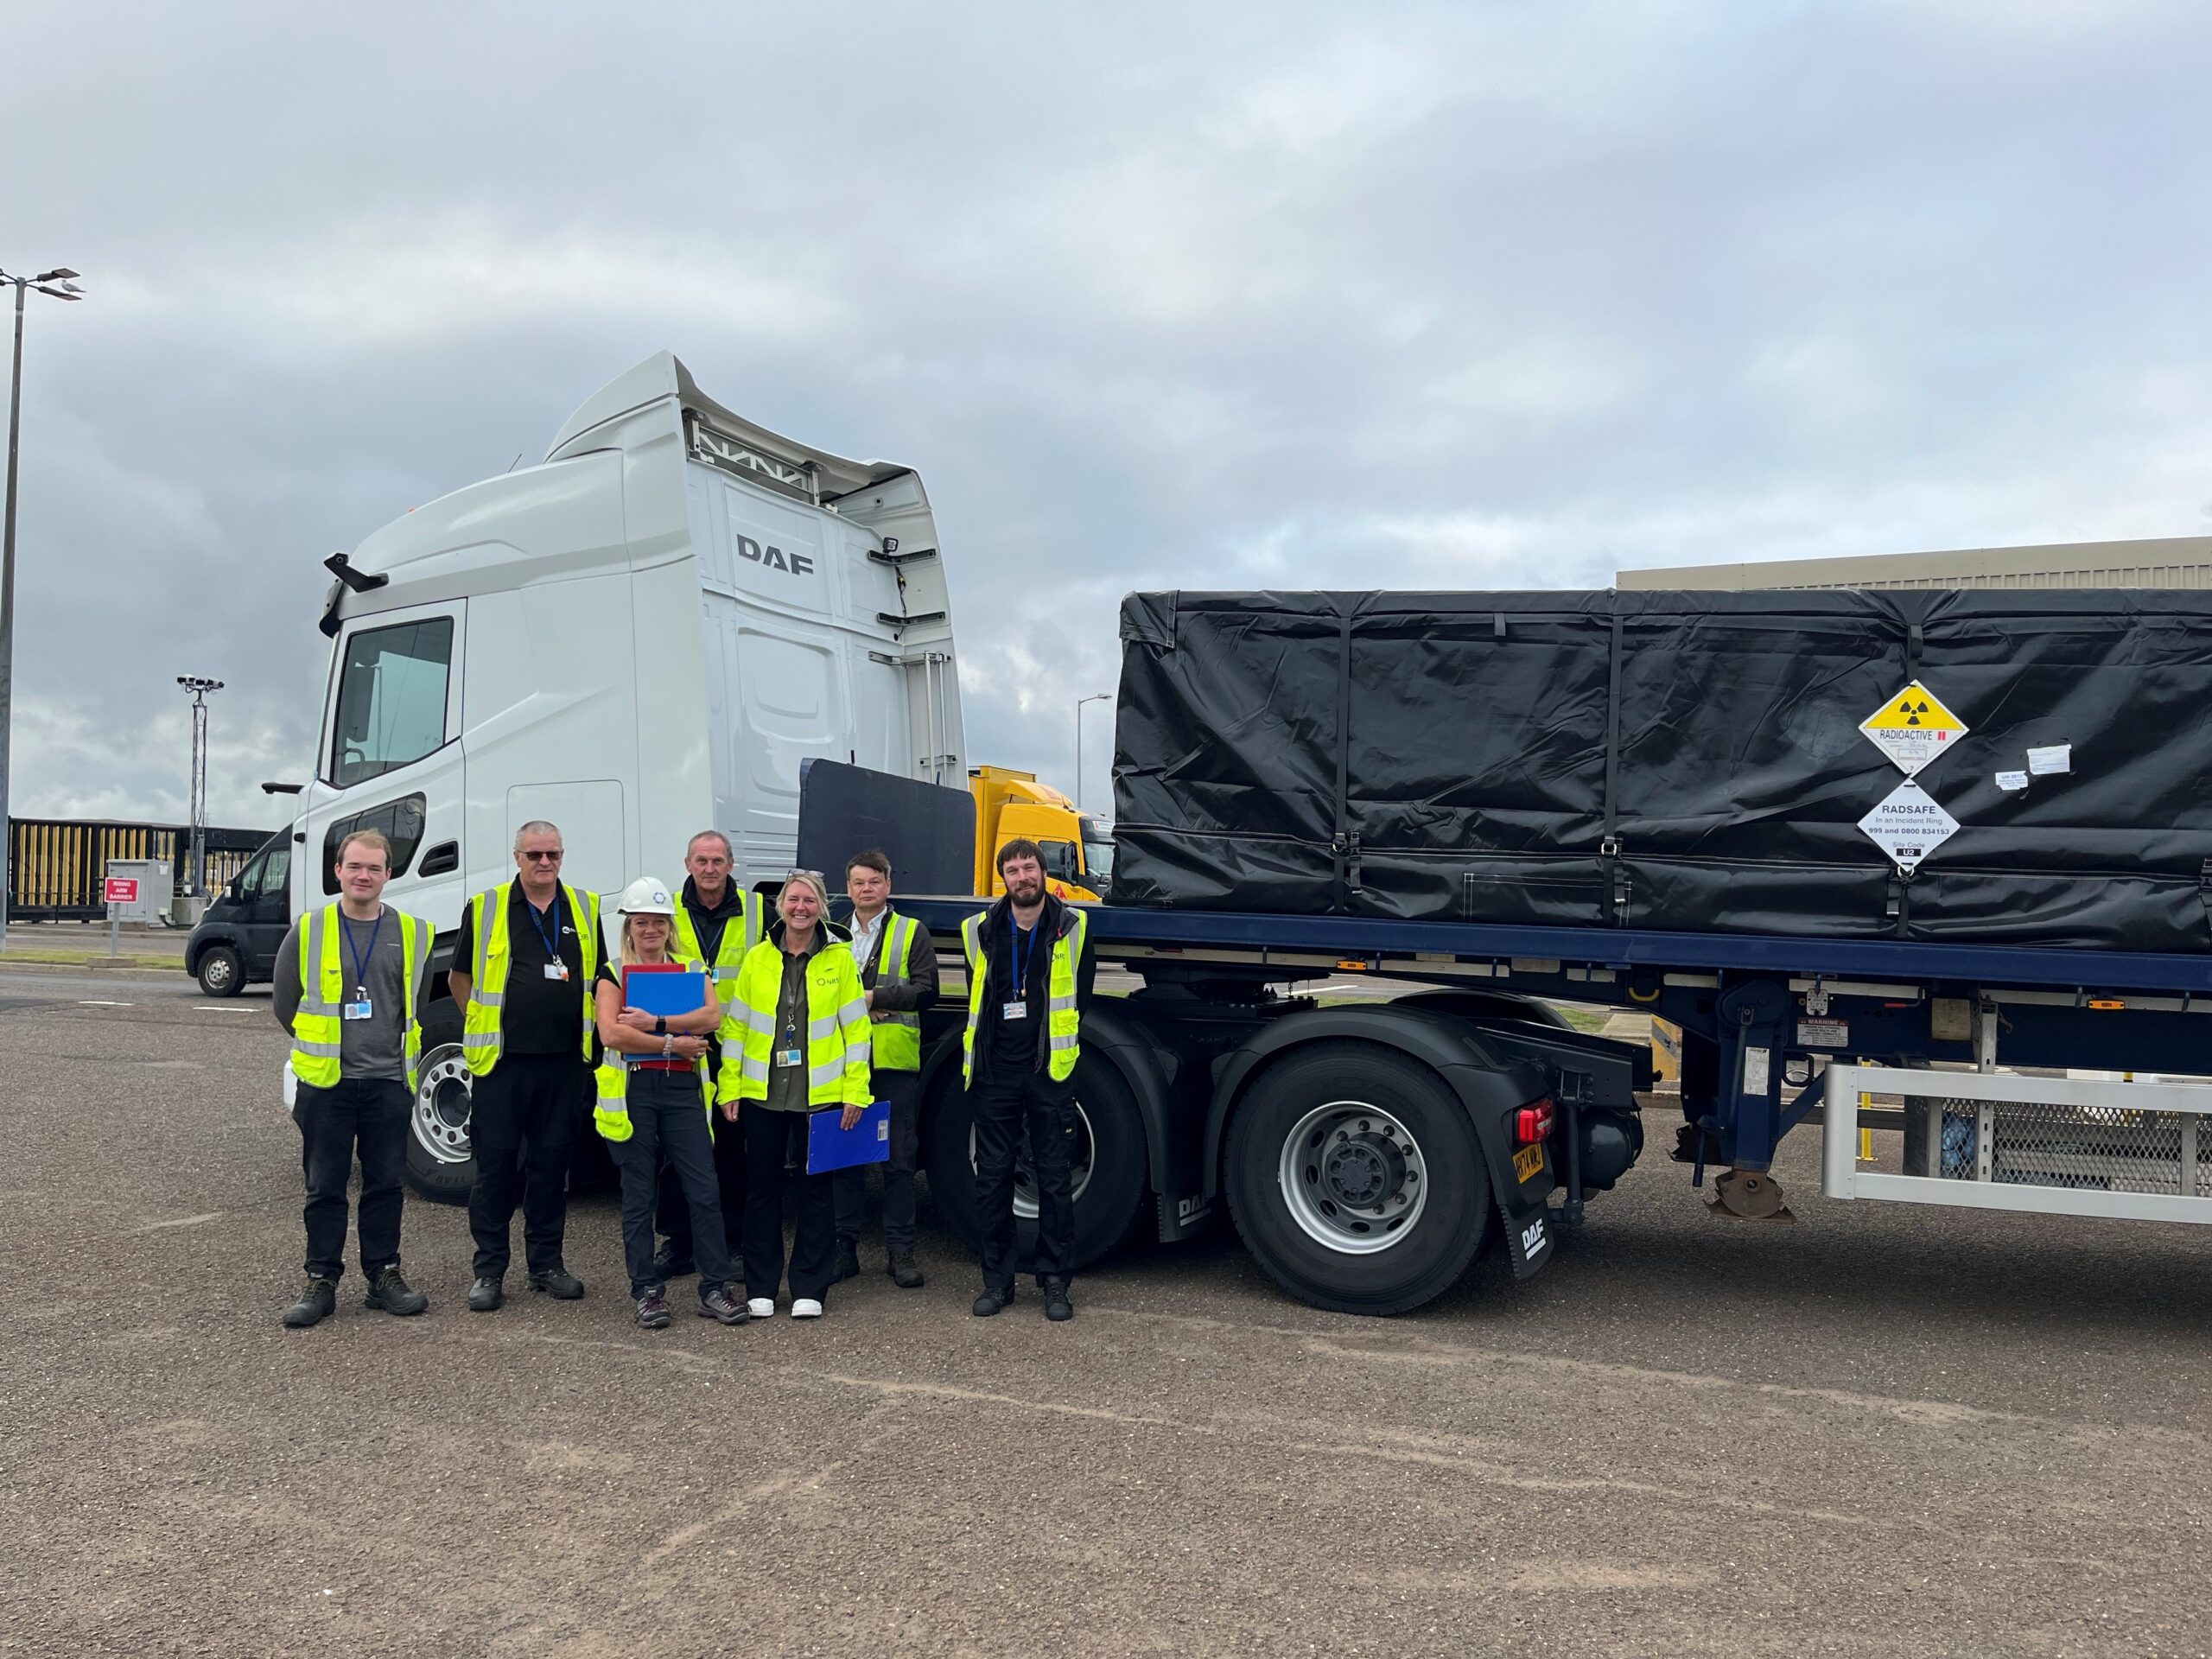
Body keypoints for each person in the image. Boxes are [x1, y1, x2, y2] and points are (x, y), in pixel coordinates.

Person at [272, 830, 435, 1327]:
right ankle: (321, 1280)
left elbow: (417, 1002)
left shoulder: (413, 932)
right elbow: (285, 1003)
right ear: (338, 871)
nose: (364, 875)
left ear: (388, 874)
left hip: (388, 1082)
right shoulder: (310, 928)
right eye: (355, 867)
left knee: (385, 1184)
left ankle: (383, 1275)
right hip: (328, 1084)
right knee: (325, 1186)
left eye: (374, 868)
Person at [448, 820, 607, 1312]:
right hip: (502, 1065)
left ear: (562, 856)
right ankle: (489, 1270)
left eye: (552, 854)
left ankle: (546, 1265)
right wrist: (481, 1023)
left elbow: (600, 978)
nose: (544, 863)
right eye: (534, 854)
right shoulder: (487, 906)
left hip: (564, 1064)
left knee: (551, 1168)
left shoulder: (584, 907)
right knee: (495, 1167)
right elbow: (459, 978)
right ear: (516, 856)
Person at [593, 878, 749, 1328]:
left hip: (683, 1090)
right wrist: (673, 1043)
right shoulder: (613, 972)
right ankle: (646, 1292)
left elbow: (712, 1017)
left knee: (704, 1189)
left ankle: (715, 1287)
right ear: (629, 925)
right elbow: (612, 1033)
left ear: (669, 926)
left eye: (658, 922)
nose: (650, 930)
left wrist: (657, 1022)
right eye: (642, 921)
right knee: (639, 1195)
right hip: (635, 1091)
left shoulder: (690, 969)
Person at [718, 870, 871, 1319]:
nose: (800, 908)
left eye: (809, 900)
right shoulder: (758, 958)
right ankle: (761, 1286)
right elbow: (736, 1028)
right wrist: (730, 1086)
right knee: (761, 1190)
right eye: (793, 899)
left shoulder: (840, 960)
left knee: (817, 1191)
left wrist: (855, 1091)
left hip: (819, 1095)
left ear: (821, 907)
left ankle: (810, 1287)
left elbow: (856, 1031)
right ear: (781, 905)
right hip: (763, 1094)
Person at [960, 837, 1096, 1322]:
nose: (1023, 877)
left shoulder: (1072, 926)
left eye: (1029, 867)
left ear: (1043, 873)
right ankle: (997, 1283)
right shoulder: (979, 929)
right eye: (1013, 870)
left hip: (1048, 1073)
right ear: (1003, 879)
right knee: (992, 1180)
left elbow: (1081, 995)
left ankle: (1055, 1282)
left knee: (1054, 1180)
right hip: (995, 1072)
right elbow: (980, 993)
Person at [651, 830, 765, 1282]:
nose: (710, 868)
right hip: (681, 1043)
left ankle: (732, 1241)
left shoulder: (759, 911)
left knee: (734, 1147)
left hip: (737, 1046)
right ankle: (678, 1241)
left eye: (718, 861)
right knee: (675, 1146)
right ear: (688, 864)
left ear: (731, 865)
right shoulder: (668, 912)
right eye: (701, 861)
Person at [833, 849, 939, 1289]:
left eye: (874, 881)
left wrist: (874, 998)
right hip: (842, 1062)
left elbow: (927, 990)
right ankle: (844, 1250)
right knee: (844, 1157)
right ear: (848, 888)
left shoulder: (912, 931)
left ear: (888, 885)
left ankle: (900, 1252)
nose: (866, 889)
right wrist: (857, 1008)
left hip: (893, 1063)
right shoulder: (832, 933)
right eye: (859, 882)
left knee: (898, 1159)